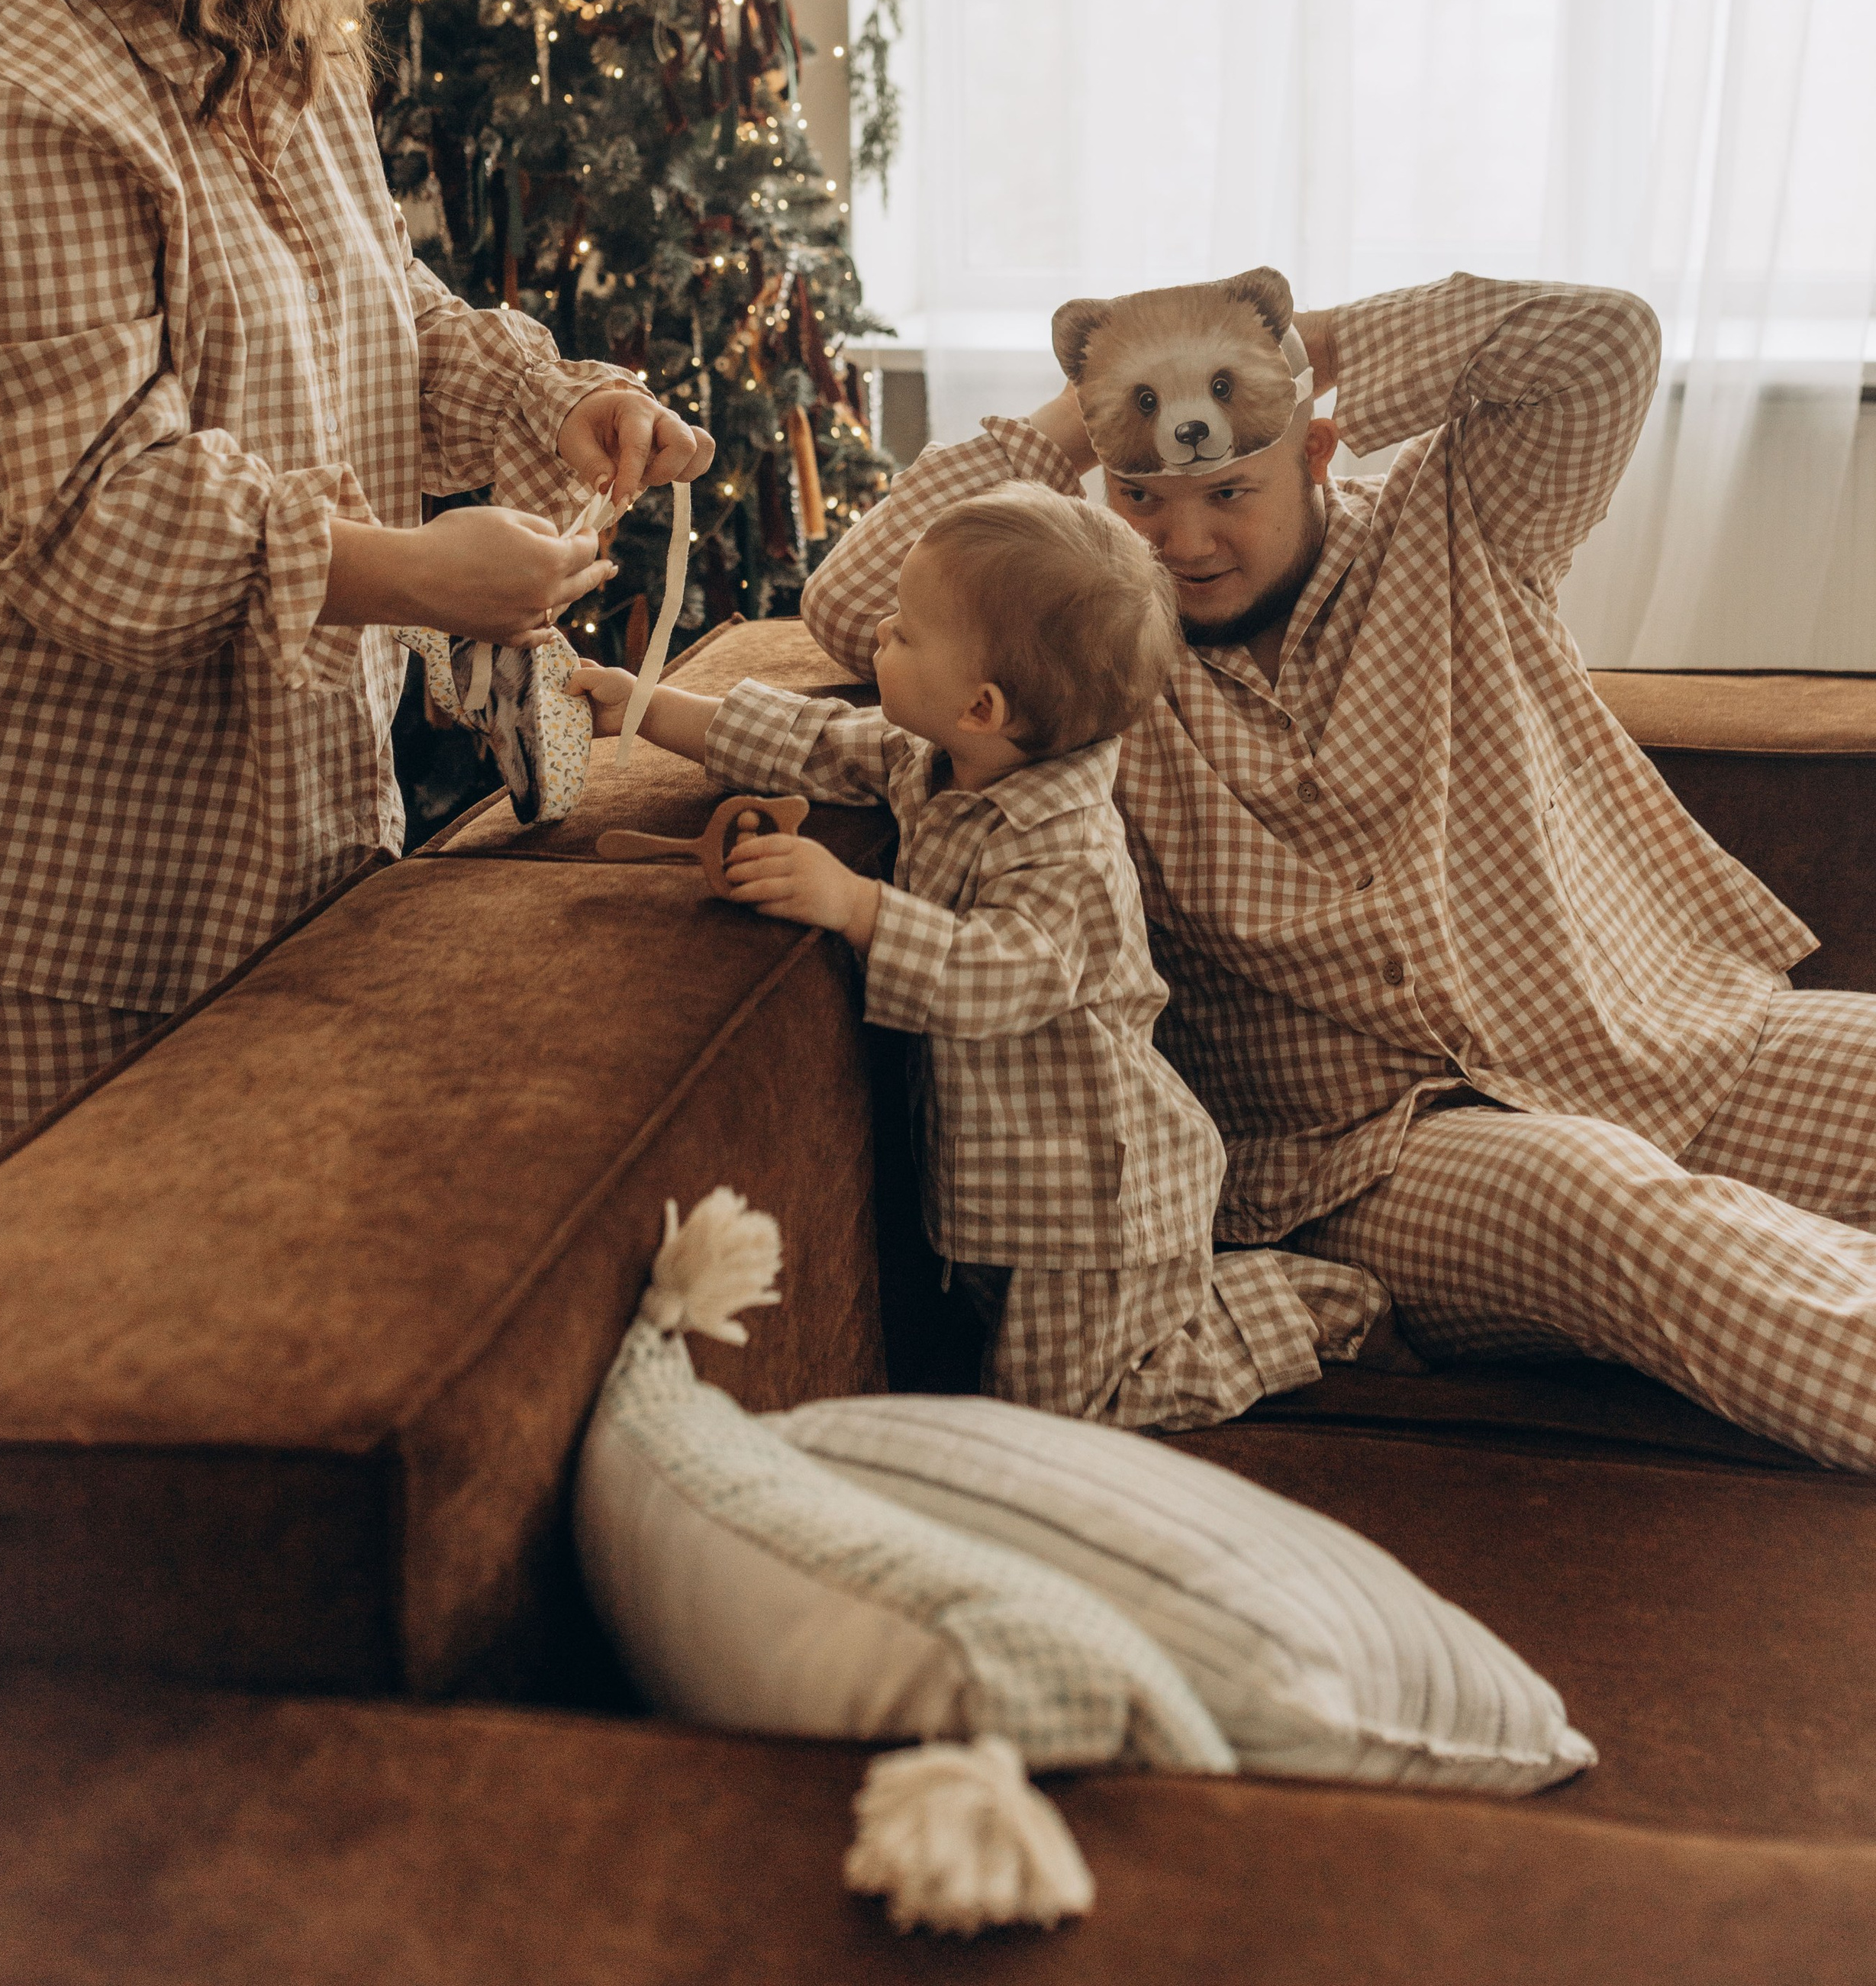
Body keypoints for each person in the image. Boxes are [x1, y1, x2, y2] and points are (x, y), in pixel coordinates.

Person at [0, 0, 710, 1198]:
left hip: (288, 852)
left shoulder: (270, 9)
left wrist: (553, 402)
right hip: (64, 925)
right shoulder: (9, 71)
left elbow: (377, 317)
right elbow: (93, 516)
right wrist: (418, 575)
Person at [802, 272, 1876, 1473]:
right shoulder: (1088, 668)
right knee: (1606, 1201)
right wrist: (1085, 405)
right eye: (1142, 498)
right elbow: (848, 605)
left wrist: (1287, 347)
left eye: (1228, 492)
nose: (1184, 544)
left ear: (1314, 451)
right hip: (1365, 1158)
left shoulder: (1463, 526)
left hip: (1649, 1036)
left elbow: (1601, 343)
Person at [574, 482, 1390, 1425]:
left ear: (982, 704)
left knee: (1072, 1408)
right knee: (1008, 1368)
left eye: (905, 632)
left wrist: (853, 903)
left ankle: (1303, 1306)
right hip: (1002, 1186)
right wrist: (641, 706)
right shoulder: (932, 755)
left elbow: (999, 976)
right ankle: (1213, 1299)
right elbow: (804, 740)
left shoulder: (1069, 850)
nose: (880, 633)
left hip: (1092, 1201)